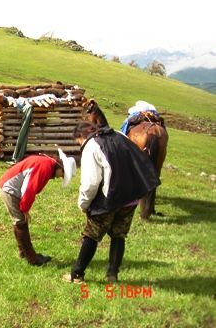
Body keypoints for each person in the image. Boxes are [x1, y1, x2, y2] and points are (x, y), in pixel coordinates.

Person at [63, 122, 159, 284]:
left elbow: (91, 183)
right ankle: (112, 275)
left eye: (79, 142)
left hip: (109, 199)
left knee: (91, 236)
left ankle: (77, 274)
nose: (80, 145)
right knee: (118, 235)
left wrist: (83, 204)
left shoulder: (91, 146)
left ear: (82, 136)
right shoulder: (119, 135)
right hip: (131, 197)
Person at [0, 149, 77, 266]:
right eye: (62, 175)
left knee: (19, 222)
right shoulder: (45, 167)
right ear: (61, 168)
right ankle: (32, 259)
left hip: (8, 186)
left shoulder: (46, 163)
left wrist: (25, 208)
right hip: (9, 189)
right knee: (21, 223)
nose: (59, 178)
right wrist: (25, 208)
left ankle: (24, 253)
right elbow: (29, 188)